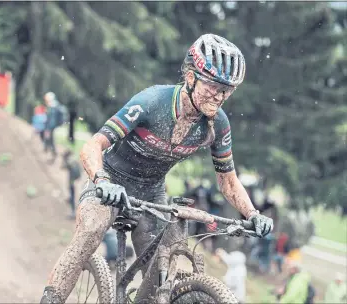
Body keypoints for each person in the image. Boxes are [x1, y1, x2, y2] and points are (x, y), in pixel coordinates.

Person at [40, 33, 274, 303]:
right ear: (190, 77)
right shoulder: (152, 102)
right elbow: (92, 145)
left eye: (227, 90)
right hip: (110, 182)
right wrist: (102, 181)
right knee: (91, 230)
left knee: (166, 268)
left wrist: (253, 214)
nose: (219, 96)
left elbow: (228, 182)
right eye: (213, 86)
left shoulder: (217, 124)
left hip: (152, 194)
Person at [61, 149, 82, 219]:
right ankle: (70, 200)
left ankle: (73, 212)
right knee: (72, 192)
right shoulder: (73, 160)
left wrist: (63, 160)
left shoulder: (68, 161)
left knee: (72, 194)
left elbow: (62, 167)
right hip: (75, 179)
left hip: (72, 180)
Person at [44, 92, 59, 163]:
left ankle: (53, 155)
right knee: (50, 141)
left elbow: (51, 120)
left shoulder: (52, 107)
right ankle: (53, 154)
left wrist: (48, 129)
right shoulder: (54, 106)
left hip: (50, 128)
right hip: (51, 127)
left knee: (50, 141)